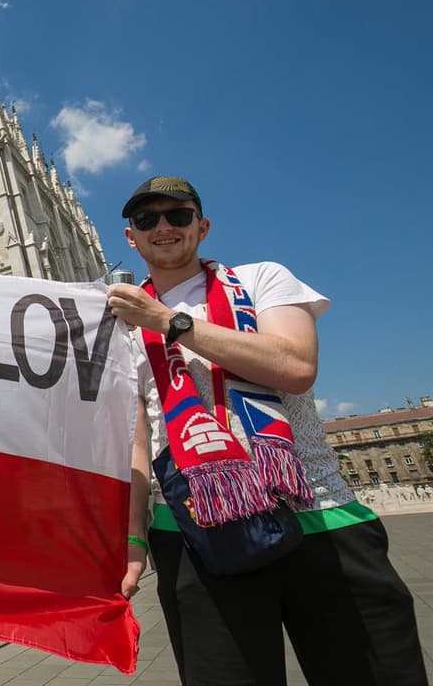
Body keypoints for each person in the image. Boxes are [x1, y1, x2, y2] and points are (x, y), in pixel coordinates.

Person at [108, 176, 426, 686]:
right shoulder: (121, 324)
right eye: (147, 219)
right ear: (131, 237)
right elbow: (134, 442)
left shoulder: (261, 280)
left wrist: (169, 321)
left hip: (321, 521)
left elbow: (295, 364)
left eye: (178, 215)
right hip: (194, 535)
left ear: (202, 226)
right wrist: (133, 538)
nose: (163, 226)